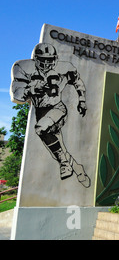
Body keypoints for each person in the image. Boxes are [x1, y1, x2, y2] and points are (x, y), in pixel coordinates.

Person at [10, 43, 90, 188]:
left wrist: (82, 101)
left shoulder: (65, 68)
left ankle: (65, 164)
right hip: (41, 111)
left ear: (55, 59)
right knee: (57, 149)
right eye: (43, 60)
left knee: (41, 129)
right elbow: (18, 95)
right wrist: (31, 89)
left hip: (57, 108)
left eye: (49, 60)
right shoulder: (23, 68)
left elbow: (78, 82)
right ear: (36, 59)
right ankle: (78, 169)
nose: (46, 64)